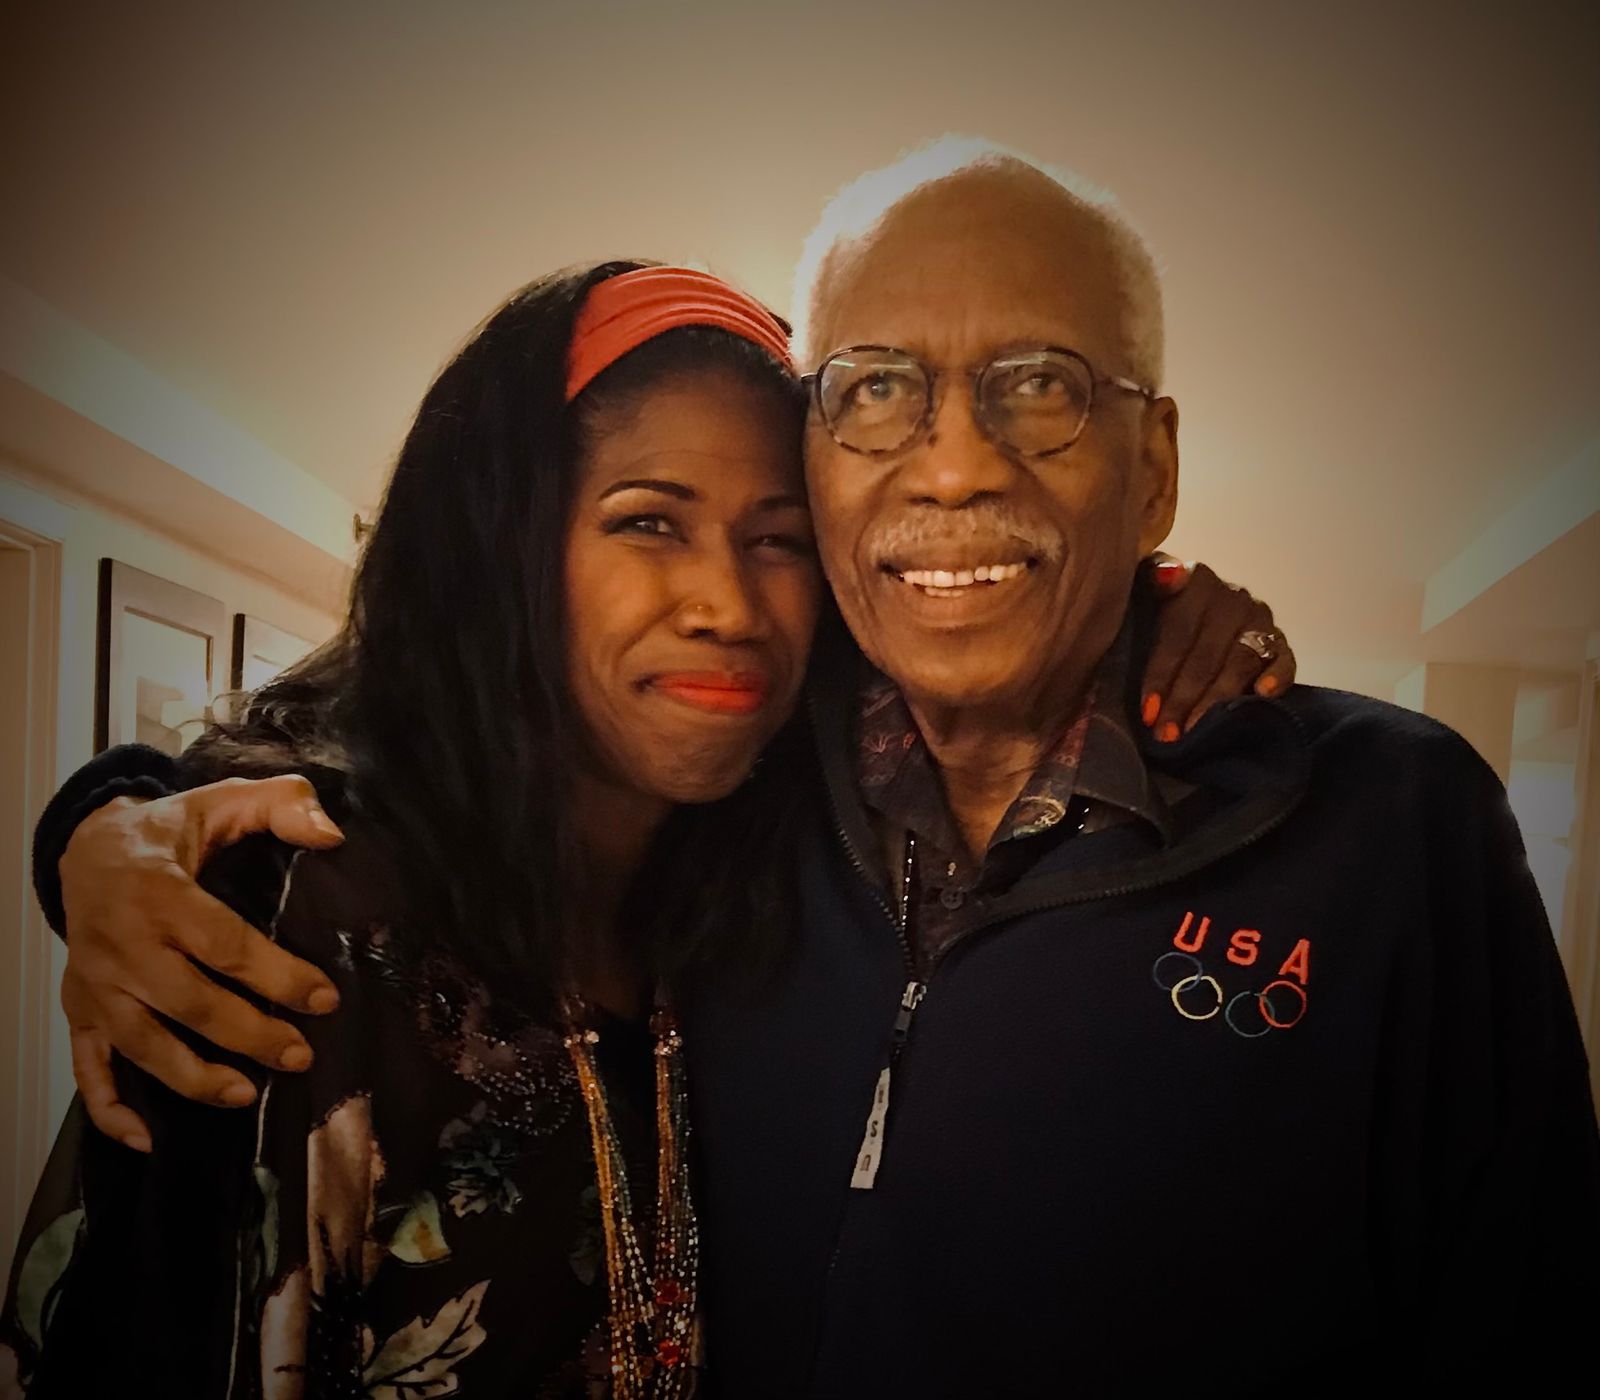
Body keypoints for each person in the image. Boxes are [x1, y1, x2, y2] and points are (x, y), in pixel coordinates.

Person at [4, 239, 1289, 1396]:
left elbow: (983, 624)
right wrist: (100, 823)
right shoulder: (297, 919)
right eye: (649, 523)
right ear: (506, 548)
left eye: (778, 539)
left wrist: (1149, 605)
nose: (725, 603)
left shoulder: (773, 865)